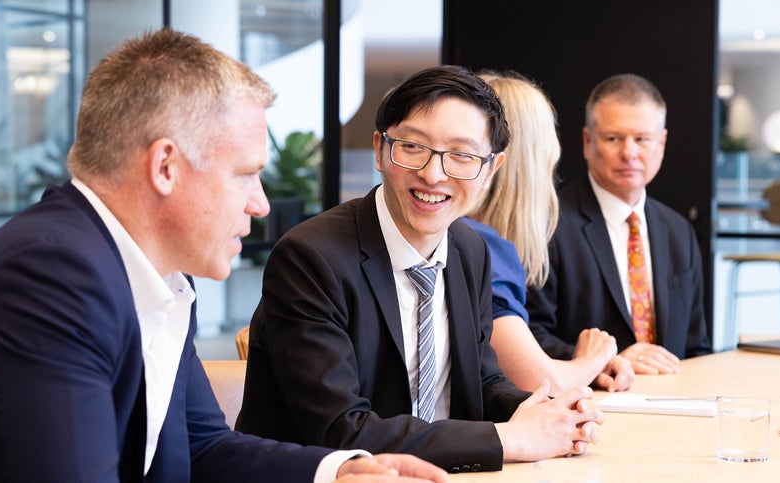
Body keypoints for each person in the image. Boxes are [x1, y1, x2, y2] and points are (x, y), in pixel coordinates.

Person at [0, 28, 449, 483]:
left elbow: (203, 445)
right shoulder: (49, 278)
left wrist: (339, 472)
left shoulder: (152, 276)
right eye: (245, 174)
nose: (261, 204)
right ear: (165, 166)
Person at [237, 65, 603, 473]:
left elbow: (482, 385)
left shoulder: (469, 251)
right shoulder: (311, 258)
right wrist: (510, 438)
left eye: (462, 155)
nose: (433, 174)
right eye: (412, 147)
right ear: (380, 149)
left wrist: (552, 415)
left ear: (490, 169)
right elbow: (342, 431)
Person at [526, 73, 712, 376]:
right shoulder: (547, 224)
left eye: (642, 139)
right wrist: (606, 362)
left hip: (674, 407)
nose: (630, 153)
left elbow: (696, 347)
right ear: (588, 142)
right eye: (614, 138)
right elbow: (529, 335)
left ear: (661, 143)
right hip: (587, 407)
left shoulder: (678, 231)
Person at [462, 71, 634, 395]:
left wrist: (582, 367)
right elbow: (544, 382)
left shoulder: (456, 237)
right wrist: (596, 357)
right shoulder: (484, 248)